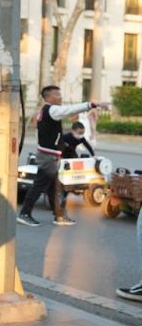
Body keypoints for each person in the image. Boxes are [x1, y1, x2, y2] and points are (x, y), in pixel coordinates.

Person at [18, 86, 108, 227]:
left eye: (60, 94)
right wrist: (91, 104)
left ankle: (59, 215)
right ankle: (25, 213)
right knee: (39, 186)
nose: (60, 97)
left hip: (48, 154)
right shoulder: (52, 109)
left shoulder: (44, 111)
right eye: (57, 94)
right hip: (48, 156)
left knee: (54, 187)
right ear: (48, 97)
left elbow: (40, 133)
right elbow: (70, 109)